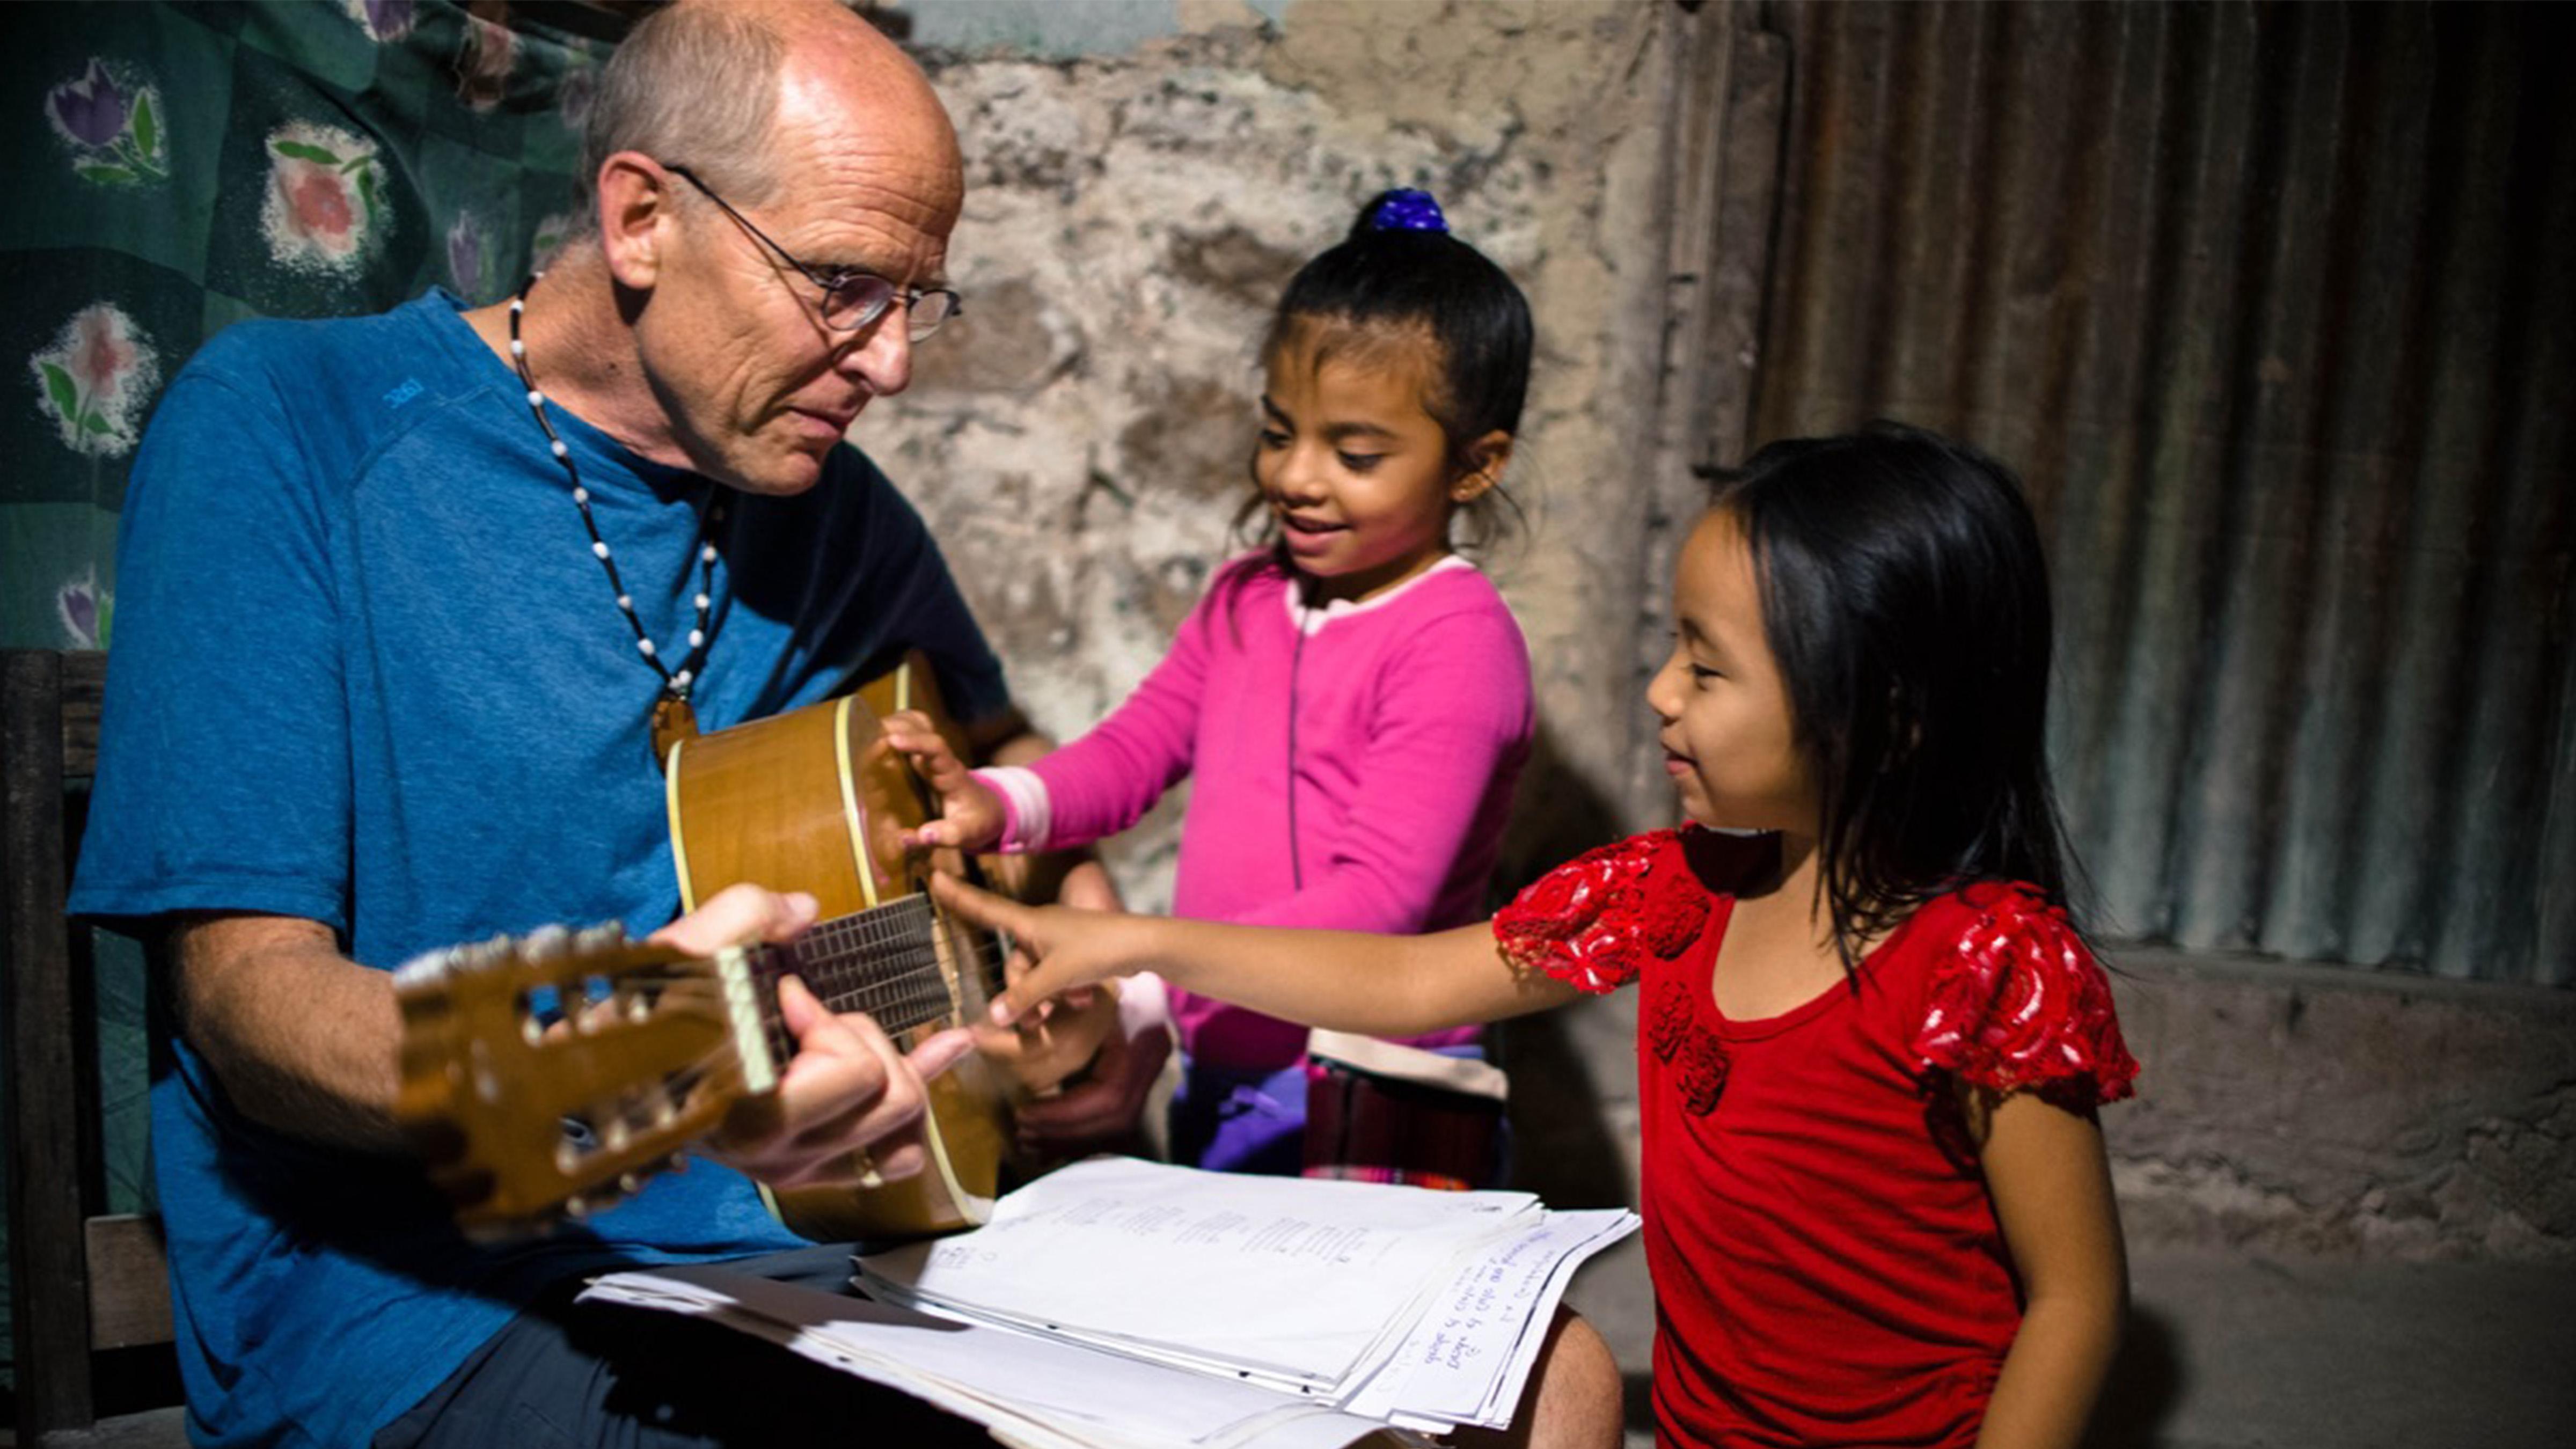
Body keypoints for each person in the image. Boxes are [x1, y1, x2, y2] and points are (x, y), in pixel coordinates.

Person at [65, 3, 1152, 1444]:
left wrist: (1098, 984)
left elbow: (1006, 768)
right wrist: (629, 1057)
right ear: (640, 218)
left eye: (916, 298)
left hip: (828, 1258)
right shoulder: (292, 429)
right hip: (424, 1313)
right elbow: (249, 1003)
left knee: (1535, 1381)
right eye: (841, 284)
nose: (889, 362)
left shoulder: (837, 514)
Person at [936, 422, 2144, 1448]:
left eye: (1709, 669)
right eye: (1674, 647)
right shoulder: (1679, 891)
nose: (1663, 692)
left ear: (1887, 718)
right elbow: (1414, 978)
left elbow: (2076, 1301)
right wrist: (1132, 942)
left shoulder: (1989, 966)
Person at [887, 187, 1538, 1184]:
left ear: (1473, 467)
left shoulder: (1457, 643)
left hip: (1376, 1091)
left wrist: (1141, 960)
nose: (1299, 478)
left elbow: (1374, 910)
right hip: (1226, 1064)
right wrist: (1001, 804)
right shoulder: (1248, 598)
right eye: (1281, 434)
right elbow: (1134, 750)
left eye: (1355, 454)